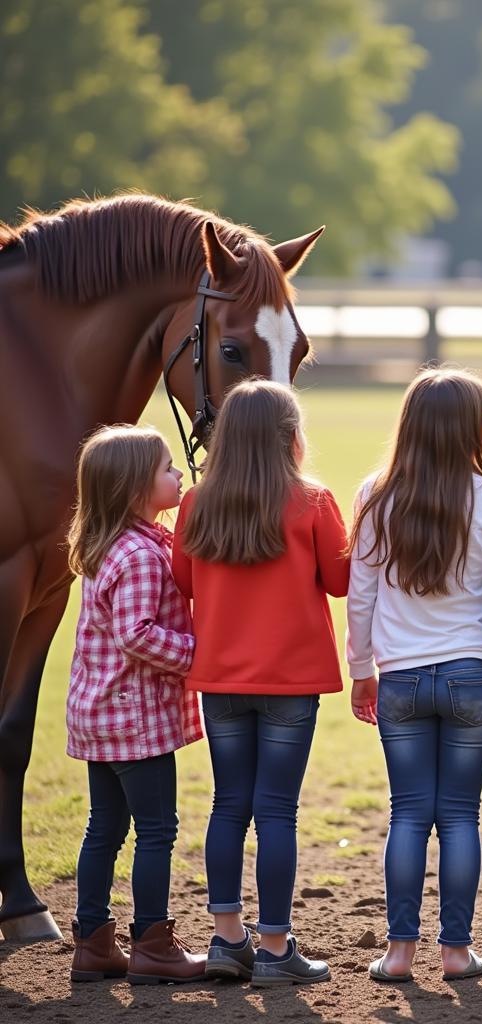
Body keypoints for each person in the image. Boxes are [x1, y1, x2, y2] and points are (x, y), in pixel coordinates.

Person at [172, 379, 349, 987]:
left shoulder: (196, 502)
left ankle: (226, 941)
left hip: (221, 679)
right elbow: (341, 580)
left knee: (228, 804)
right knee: (277, 812)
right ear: (289, 437)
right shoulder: (313, 500)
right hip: (289, 683)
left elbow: (186, 583)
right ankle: (275, 948)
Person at [346, 367, 482, 983]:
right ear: (473, 429)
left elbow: (360, 594)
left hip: (401, 680)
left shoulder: (375, 492)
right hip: (475, 672)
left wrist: (360, 672)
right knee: (461, 816)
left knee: (408, 814)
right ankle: (455, 951)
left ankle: (398, 954)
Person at [66, 425, 205, 985]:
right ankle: (152, 943)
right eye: (167, 468)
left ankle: (93, 942)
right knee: (156, 830)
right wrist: (202, 653)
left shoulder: (112, 545)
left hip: (100, 712)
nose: (177, 475)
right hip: (134, 717)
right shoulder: (140, 556)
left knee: (104, 827)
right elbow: (138, 634)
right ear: (132, 488)